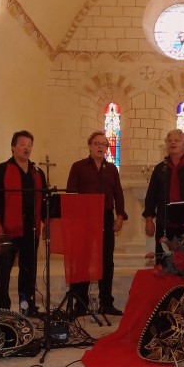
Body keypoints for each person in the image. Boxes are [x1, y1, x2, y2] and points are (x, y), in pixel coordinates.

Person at [66, 131, 128, 316]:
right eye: (97, 143)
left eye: (104, 144)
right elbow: (71, 193)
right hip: (84, 218)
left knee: (106, 261)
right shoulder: (78, 167)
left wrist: (120, 215)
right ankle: (80, 303)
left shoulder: (111, 169)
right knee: (83, 259)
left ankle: (106, 302)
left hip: (105, 217)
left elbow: (118, 193)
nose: (101, 147)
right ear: (90, 146)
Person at [0, 130, 47, 316]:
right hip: (7, 227)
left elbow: (44, 200)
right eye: (22, 144)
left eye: (29, 144)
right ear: (13, 147)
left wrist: (46, 223)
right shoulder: (0, 170)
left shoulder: (37, 173)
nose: (26, 148)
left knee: (29, 270)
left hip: (31, 227)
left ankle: (27, 306)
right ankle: (1, 309)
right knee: (4, 269)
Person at [143, 129, 184, 259]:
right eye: (169, 141)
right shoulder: (160, 168)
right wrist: (149, 219)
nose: (172, 143)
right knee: (163, 261)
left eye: (176, 140)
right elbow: (151, 196)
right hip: (164, 223)